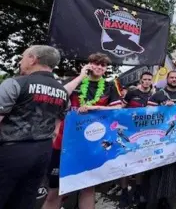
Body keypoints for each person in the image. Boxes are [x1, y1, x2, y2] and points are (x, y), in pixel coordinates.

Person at [43, 53, 122, 209]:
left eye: (103, 65)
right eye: (96, 63)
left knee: (88, 188)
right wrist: (80, 76)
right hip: (65, 142)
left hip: (92, 142)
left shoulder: (109, 86)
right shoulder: (75, 82)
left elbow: (118, 108)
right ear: (88, 65)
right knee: (54, 191)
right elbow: (61, 94)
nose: (99, 67)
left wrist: (95, 107)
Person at [0, 45, 69, 209]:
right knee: (25, 200)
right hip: (43, 152)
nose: (20, 62)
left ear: (32, 59)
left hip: (10, 151)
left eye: (23, 57)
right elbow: (57, 127)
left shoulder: (15, 83)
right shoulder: (63, 92)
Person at [145, 70, 176, 209]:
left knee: (173, 169)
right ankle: (154, 199)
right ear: (167, 79)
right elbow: (147, 114)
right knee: (159, 170)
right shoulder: (157, 95)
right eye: (171, 77)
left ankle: (166, 196)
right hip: (160, 138)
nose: (174, 79)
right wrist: (162, 108)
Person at [118, 71, 153, 208]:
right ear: (140, 80)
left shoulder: (154, 95)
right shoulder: (132, 93)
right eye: (144, 79)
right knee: (125, 163)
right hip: (129, 132)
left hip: (145, 134)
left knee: (139, 163)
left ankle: (138, 189)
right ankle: (124, 191)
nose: (147, 82)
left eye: (149, 79)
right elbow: (120, 108)